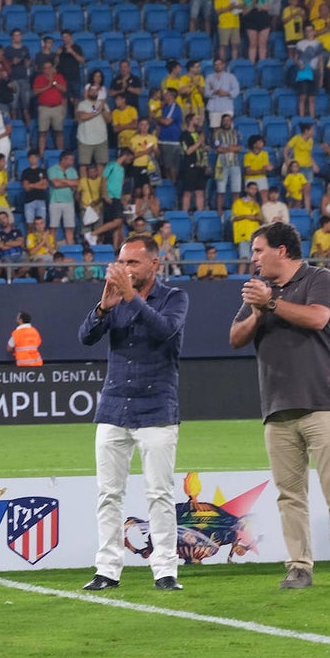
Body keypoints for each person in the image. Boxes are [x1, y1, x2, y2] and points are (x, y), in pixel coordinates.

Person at [229, 222, 330, 590]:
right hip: (277, 407)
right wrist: (257, 312)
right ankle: (299, 567)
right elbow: (235, 338)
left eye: (258, 250)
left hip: (323, 402)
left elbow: (318, 318)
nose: (253, 258)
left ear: (281, 251)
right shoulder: (258, 293)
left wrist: (270, 303)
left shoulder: (320, 280)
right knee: (290, 496)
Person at [78, 234, 188, 592]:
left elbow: (165, 331)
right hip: (113, 407)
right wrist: (102, 309)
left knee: (159, 493)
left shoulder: (175, 298)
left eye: (133, 263)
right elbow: (85, 337)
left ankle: (165, 570)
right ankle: (107, 569)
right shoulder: (115, 298)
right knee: (108, 494)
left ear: (154, 264)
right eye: (122, 263)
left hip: (156, 409)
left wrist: (130, 297)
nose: (125, 269)